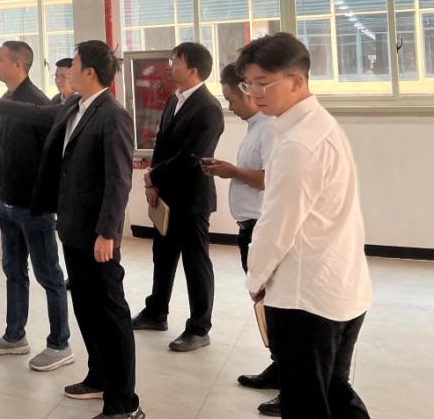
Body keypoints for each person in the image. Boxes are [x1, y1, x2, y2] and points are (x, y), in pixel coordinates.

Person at [238, 33, 371, 419]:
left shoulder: (298, 144)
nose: (254, 93)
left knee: (306, 402)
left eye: (264, 83)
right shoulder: (318, 124)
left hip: (305, 297)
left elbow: (276, 226)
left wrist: (255, 279)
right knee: (334, 392)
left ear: (297, 81)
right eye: (249, 84)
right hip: (338, 288)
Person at [0, 41, 73, 372]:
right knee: (13, 271)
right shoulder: (11, 98)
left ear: (18, 64)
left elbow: (51, 159)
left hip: (34, 208)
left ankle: (60, 344)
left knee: (49, 276)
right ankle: (15, 336)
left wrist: (43, 204)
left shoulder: (36, 102)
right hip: (9, 203)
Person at [133, 42, 224, 352]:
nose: (169, 65)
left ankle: (199, 327)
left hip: (192, 199)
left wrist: (154, 176)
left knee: (196, 264)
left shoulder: (208, 107)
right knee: (163, 256)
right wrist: (153, 180)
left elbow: (191, 157)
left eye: (176, 61)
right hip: (166, 195)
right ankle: (156, 312)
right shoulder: (174, 98)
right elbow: (162, 144)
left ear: (194, 69)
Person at [202, 63, 280, 417]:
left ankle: (291, 377)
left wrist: (232, 171)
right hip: (249, 227)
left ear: (249, 92)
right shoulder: (255, 127)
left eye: (232, 99)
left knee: (275, 304)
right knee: (265, 303)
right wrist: (229, 168)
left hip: (262, 228)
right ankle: (279, 363)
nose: (229, 106)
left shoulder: (270, 128)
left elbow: (268, 178)